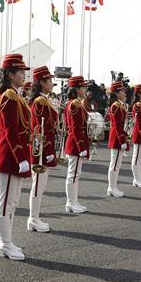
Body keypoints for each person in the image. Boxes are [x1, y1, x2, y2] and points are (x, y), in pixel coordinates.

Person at [0, 54, 32, 260]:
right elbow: (10, 130)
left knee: (13, 201)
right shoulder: (8, 96)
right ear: (10, 74)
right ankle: (4, 243)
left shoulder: (16, 95)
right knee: (6, 201)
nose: (24, 76)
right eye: (20, 72)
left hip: (17, 154)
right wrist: (20, 157)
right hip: (10, 155)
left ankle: (8, 241)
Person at [27, 65, 57, 232]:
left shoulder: (44, 99)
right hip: (41, 150)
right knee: (38, 185)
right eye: (49, 81)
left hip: (45, 148)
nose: (52, 83)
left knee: (40, 185)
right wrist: (48, 151)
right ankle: (33, 218)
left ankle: (35, 217)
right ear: (41, 83)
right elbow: (41, 128)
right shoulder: (40, 101)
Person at [63, 75, 90, 213]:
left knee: (75, 174)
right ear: (77, 89)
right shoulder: (74, 104)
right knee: (73, 174)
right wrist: (81, 146)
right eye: (83, 87)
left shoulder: (76, 103)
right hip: (75, 143)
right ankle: (70, 202)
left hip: (76, 143)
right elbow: (75, 127)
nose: (85, 89)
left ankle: (74, 201)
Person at [106, 80, 129, 197]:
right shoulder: (115, 106)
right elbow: (116, 125)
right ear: (116, 93)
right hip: (116, 138)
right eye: (121, 91)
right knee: (114, 163)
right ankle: (111, 187)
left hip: (119, 137)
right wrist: (121, 139)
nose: (124, 92)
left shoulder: (121, 105)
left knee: (117, 164)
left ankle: (113, 186)